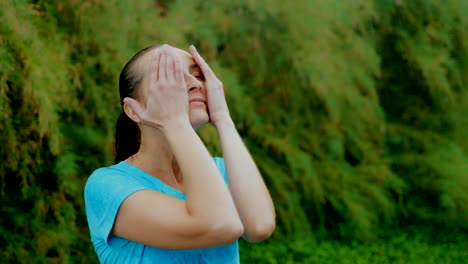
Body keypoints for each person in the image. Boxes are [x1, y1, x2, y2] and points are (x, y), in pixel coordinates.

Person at [84, 44, 275, 263]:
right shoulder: (108, 185)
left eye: (197, 75)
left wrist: (223, 119)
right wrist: (175, 122)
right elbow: (218, 224)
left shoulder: (219, 170)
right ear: (133, 110)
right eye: (171, 77)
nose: (195, 83)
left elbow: (259, 226)